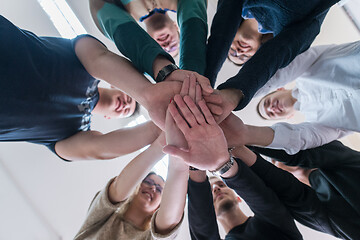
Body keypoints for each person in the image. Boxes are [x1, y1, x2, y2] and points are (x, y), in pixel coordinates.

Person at [0, 15, 200, 161]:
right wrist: (147, 95)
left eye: (127, 111)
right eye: (130, 99)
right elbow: (98, 58)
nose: (125, 105)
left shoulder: (74, 131)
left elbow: (98, 148)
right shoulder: (85, 61)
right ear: (117, 84)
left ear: (109, 118)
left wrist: (163, 127)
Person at [163, 95, 302, 240]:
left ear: (239, 198)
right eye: (212, 190)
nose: (216, 189)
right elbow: (262, 198)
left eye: (220, 185)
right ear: (210, 210)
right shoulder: (277, 224)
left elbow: (265, 201)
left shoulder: (276, 223)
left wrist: (196, 165)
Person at [75, 77, 194, 240]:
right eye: (150, 183)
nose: (152, 188)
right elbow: (116, 192)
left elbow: (168, 222)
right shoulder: (100, 221)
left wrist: (176, 155)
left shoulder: (149, 236)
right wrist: (164, 143)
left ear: (158, 207)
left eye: (159, 190)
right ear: (135, 189)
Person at [202, 0, 340, 123]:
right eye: (243, 57)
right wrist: (235, 93)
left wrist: (204, 82)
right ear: (258, 52)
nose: (238, 52)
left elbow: (222, 30)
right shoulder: (291, 32)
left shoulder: (241, 5)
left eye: (231, 51)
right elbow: (276, 55)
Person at [248, 41, 360, 154]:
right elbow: (302, 139)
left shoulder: (305, 69)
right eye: (271, 114)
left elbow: (283, 71)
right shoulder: (316, 123)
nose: (271, 108)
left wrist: (243, 92)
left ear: (279, 89)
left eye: (267, 103)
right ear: (288, 117)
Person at [89, 0, 210, 82]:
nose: (167, 45)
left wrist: (156, 63)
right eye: (173, 46)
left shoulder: (122, 11)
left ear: (149, 40)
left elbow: (101, 8)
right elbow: (193, 9)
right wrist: (192, 74)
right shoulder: (181, 3)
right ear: (176, 27)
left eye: (163, 49)